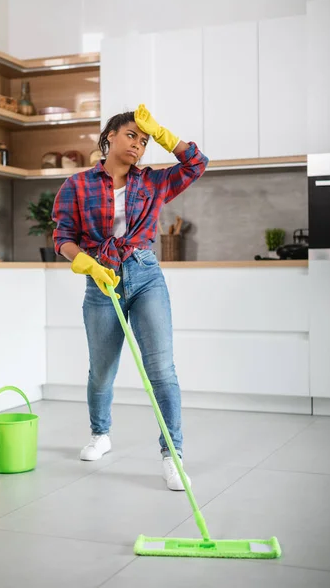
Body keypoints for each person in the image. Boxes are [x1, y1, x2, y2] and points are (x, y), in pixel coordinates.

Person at [52, 104, 209, 490]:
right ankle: (100, 434)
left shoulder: (152, 182)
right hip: (100, 281)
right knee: (102, 371)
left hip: (144, 276)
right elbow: (62, 238)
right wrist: (86, 263)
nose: (138, 144)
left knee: (162, 370)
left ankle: (172, 456)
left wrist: (164, 134)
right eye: (131, 135)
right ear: (109, 138)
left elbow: (196, 165)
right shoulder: (77, 185)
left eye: (143, 139)